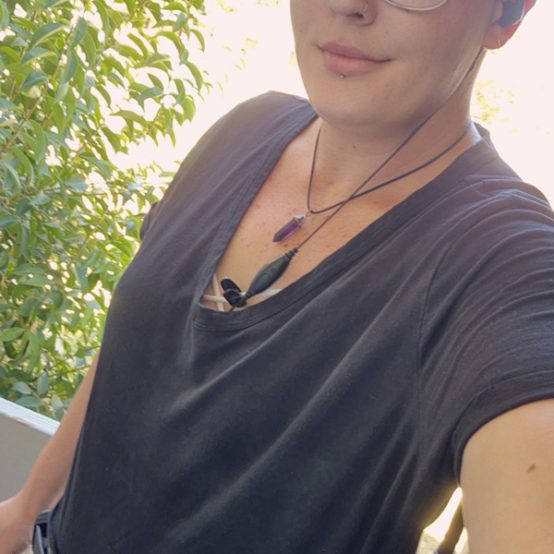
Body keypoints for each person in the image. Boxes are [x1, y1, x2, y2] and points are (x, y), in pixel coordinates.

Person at [1, 0, 553, 552]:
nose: (348, 5)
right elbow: (136, 346)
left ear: (505, 15)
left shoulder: (503, 261)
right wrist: (26, 510)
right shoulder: (245, 130)